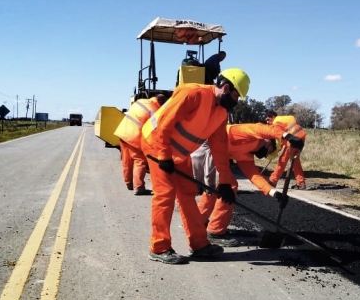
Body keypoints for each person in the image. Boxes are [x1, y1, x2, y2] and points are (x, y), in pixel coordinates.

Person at [140, 68, 251, 265]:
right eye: (235, 96)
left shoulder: (220, 112)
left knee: (188, 193)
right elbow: (165, 124)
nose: (236, 101)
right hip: (156, 144)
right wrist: (164, 155)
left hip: (179, 153)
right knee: (165, 194)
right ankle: (159, 247)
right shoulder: (193, 93)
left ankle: (199, 245)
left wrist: (224, 181)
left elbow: (219, 148)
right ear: (225, 87)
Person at [197, 123, 289, 246]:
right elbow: (262, 128)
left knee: (215, 187)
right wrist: (286, 135)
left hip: (214, 153)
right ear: (268, 142)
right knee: (229, 186)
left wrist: (273, 192)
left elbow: (254, 176)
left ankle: (197, 222)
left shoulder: (246, 154)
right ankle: (215, 232)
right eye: (269, 151)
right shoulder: (250, 134)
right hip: (206, 145)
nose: (264, 156)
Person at [114, 95, 167, 195]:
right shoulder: (155, 111)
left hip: (123, 133)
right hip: (135, 137)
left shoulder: (141, 101)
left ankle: (129, 183)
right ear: (160, 102)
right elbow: (155, 131)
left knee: (127, 160)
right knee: (140, 161)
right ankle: (138, 187)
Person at [265, 110, 307, 189]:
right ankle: (301, 183)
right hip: (301, 137)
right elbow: (284, 137)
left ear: (273, 117)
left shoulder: (276, 123)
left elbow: (281, 136)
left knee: (282, 161)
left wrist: (276, 149)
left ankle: (273, 181)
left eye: (268, 119)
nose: (267, 122)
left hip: (293, 139)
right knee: (295, 161)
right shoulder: (283, 120)